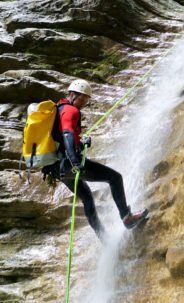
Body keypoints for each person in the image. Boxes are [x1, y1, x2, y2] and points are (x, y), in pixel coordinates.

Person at [43, 79, 148, 240]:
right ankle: (127, 218)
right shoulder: (71, 111)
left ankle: (103, 238)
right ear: (72, 94)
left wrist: (81, 143)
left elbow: (64, 139)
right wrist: (75, 161)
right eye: (81, 98)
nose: (84, 102)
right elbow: (67, 134)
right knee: (115, 178)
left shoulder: (59, 110)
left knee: (87, 198)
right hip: (70, 165)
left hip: (58, 168)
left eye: (86, 99)